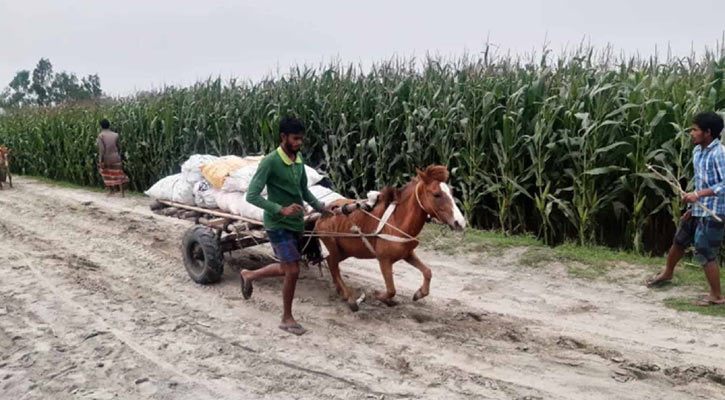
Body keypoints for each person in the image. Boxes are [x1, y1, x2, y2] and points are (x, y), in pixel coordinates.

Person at [241, 116, 333, 335]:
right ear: (283, 137)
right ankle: (286, 318)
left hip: (295, 223)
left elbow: (304, 191)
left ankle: (249, 275)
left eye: (301, 139)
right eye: (295, 138)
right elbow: (251, 196)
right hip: (277, 223)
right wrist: (279, 209)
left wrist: (321, 207)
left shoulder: (298, 159)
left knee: (287, 267)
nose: (299, 143)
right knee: (292, 270)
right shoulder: (270, 162)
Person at [646, 112, 725, 306]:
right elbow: (701, 182)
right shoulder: (697, 151)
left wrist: (698, 195)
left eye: (695, 129)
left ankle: (716, 296)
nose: (691, 133)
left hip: (715, 210)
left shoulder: (720, 153)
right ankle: (667, 273)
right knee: (680, 240)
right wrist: (692, 205)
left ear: (708, 133)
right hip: (698, 208)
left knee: (704, 250)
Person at [97, 119, 129, 197]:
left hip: (107, 157)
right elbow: (119, 146)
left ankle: (111, 190)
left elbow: (102, 149)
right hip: (116, 156)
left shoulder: (101, 136)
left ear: (101, 126)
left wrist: (100, 160)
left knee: (106, 173)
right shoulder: (116, 135)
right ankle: (122, 193)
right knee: (118, 173)